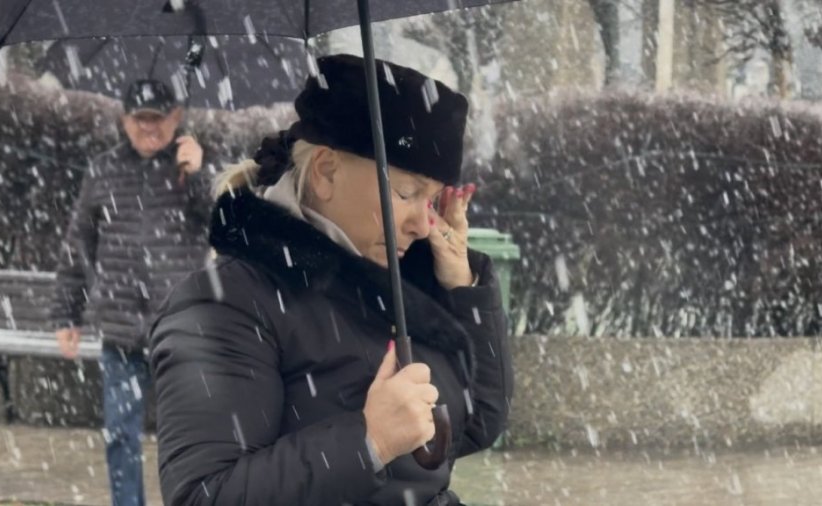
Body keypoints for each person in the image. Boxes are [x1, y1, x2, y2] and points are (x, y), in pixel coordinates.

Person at [149, 54, 514, 505]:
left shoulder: (402, 282)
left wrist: (461, 285)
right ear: (325, 171)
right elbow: (202, 496)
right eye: (407, 192)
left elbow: (477, 423)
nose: (423, 224)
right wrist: (369, 442)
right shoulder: (225, 302)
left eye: (434, 200)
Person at [52, 78, 214, 506]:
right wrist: (66, 314)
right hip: (121, 332)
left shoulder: (191, 165)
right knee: (120, 436)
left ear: (175, 118)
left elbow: (223, 225)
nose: (148, 128)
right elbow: (79, 245)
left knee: (190, 439)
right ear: (124, 121)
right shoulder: (102, 170)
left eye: (157, 118)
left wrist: (199, 175)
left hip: (180, 330)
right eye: (140, 119)